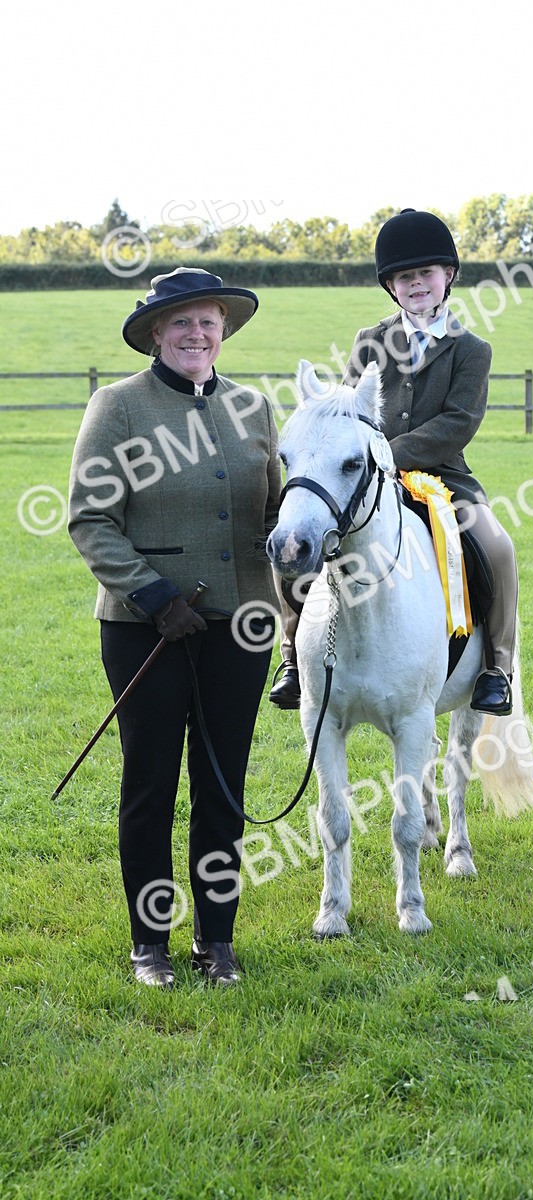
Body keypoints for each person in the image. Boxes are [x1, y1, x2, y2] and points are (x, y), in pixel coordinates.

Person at [68, 267, 282, 988]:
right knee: (151, 785)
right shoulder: (118, 407)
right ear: (156, 332)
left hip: (242, 630)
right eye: (183, 322)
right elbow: (90, 518)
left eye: (209, 321)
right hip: (147, 629)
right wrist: (154, 594)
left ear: (224, 331)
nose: (198, 333)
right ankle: (148, 945)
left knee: (223, 790)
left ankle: (216, 942)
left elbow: (273, 512)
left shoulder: (254, 407)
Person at [269, 208, 519, 716]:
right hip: (361, 479)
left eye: (425, 274)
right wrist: (365, 459)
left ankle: (497, 666)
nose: (416, 284)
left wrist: (391, 453)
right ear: (392, 286)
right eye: (405, 277)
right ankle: (294, 654)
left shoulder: (471, 350)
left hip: (444, 480)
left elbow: (459, 422)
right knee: (296, 534)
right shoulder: (369, 341)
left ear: (447, 276)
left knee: (498, 548)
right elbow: (349, 413)